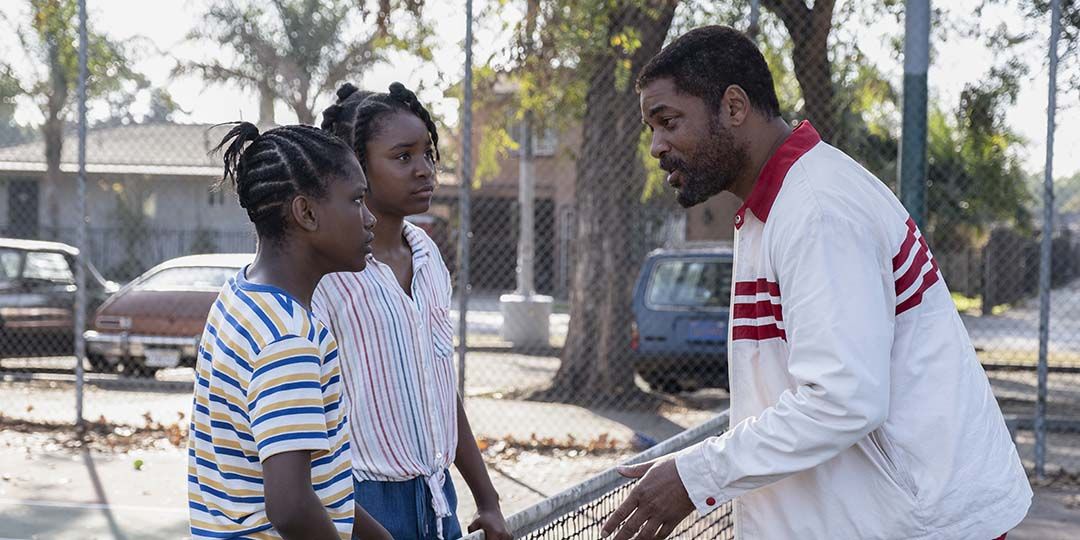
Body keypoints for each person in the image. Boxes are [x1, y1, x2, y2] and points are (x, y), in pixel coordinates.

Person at [602, 25, 1031, 540]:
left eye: (668, 121)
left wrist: (696, 476)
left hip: (923, 526)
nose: (656, 146)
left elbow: (842, 397)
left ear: (733, 107)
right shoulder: (775, 208)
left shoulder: (817, 208)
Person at [314, 82, 512, 540]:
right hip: (362, 501)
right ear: (357, 167)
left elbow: (439, 389)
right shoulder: (329, 272)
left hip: (436, 495)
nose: (424, 170)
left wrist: (487, 498)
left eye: (428, 154)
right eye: (403, 157)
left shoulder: (426, 254)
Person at [187, 122, 390, 540]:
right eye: (356, 200)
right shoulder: (288, 338)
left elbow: (315, 484)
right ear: (306, 213)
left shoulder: (239, 297)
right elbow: (290, 506)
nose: (370, 218)